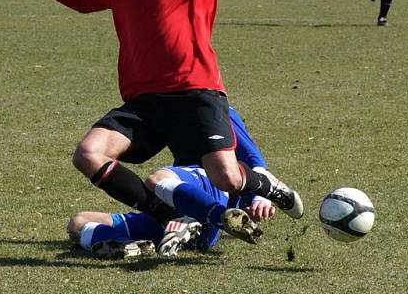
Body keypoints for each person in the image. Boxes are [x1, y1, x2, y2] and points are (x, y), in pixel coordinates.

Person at [3, 0, 303, 238]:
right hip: (145, 103)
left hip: (196, 92)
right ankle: (165, 215)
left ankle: (266, 185)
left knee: (227, 177)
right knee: (87, 154)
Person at [68, 107, 277, 259]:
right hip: (178, 216)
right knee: (79, 221)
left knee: (158, 179)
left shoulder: (216, 108)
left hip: (207, 189)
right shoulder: (170, 107)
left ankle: (217, 217)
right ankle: (135, 246)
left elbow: (253, 161)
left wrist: (260, 198)